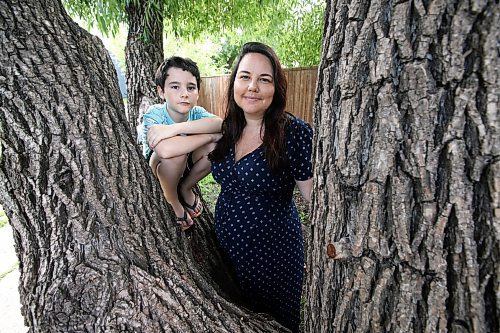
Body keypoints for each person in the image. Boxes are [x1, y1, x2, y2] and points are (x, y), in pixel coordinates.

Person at [209, 42, 313, 332]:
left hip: (274, 258)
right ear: (234, 84)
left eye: (264, 79)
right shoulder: (228, 128)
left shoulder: (293, 132)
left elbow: (313, 198)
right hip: (227, 254)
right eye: (244, 77)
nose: (252, 86)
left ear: (275, 87)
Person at [143, 56, 222, 231]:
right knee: (175, 152)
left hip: (184, 167)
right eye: (175, 87)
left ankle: (186, 187)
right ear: (161, 91)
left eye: (191, 87)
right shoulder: (154, 114)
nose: (184, 93)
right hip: (159, 169)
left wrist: (174, 129)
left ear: (198, 93)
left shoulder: (197, 112)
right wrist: (209, 136)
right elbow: (165, 150)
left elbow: (221, 125)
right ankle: (171, 197)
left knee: (217, 147)